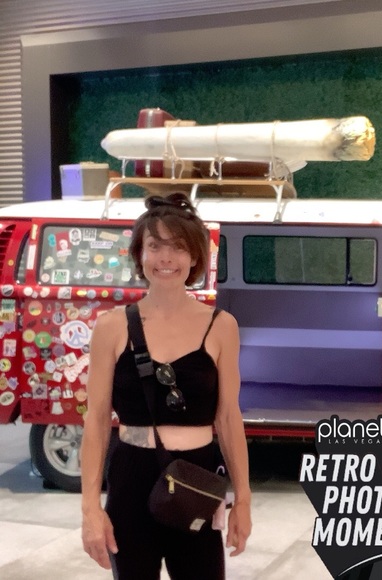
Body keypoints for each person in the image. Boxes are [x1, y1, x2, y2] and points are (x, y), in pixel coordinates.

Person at [81, 193, 251, 579]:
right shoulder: (111, 327)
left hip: (197, 477)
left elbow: (228, 417)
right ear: (140, 254)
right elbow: (96, 419)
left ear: (194, 257)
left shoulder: (222, 326)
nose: (166, 258)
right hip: (131, 477)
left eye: (177, 247)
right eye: (155, 246)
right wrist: (90, 507)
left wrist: (243, 498)